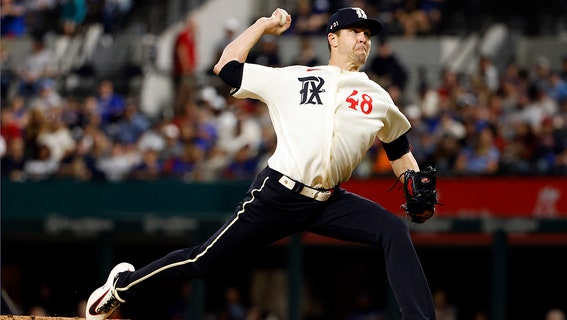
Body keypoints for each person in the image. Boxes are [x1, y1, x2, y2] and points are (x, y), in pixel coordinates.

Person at [86, 7, 436, 320]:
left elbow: (398, 148)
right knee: (203, 261)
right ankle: (121, 287)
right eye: (355, 31)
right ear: (333, 38)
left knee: (392, 231)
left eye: (367, 34)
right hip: (278, 194)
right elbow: (226, 67)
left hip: (330, 200)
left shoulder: (378, 96)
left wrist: (413, 179)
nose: (363, 38)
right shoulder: (294, 77)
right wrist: (261, 26)